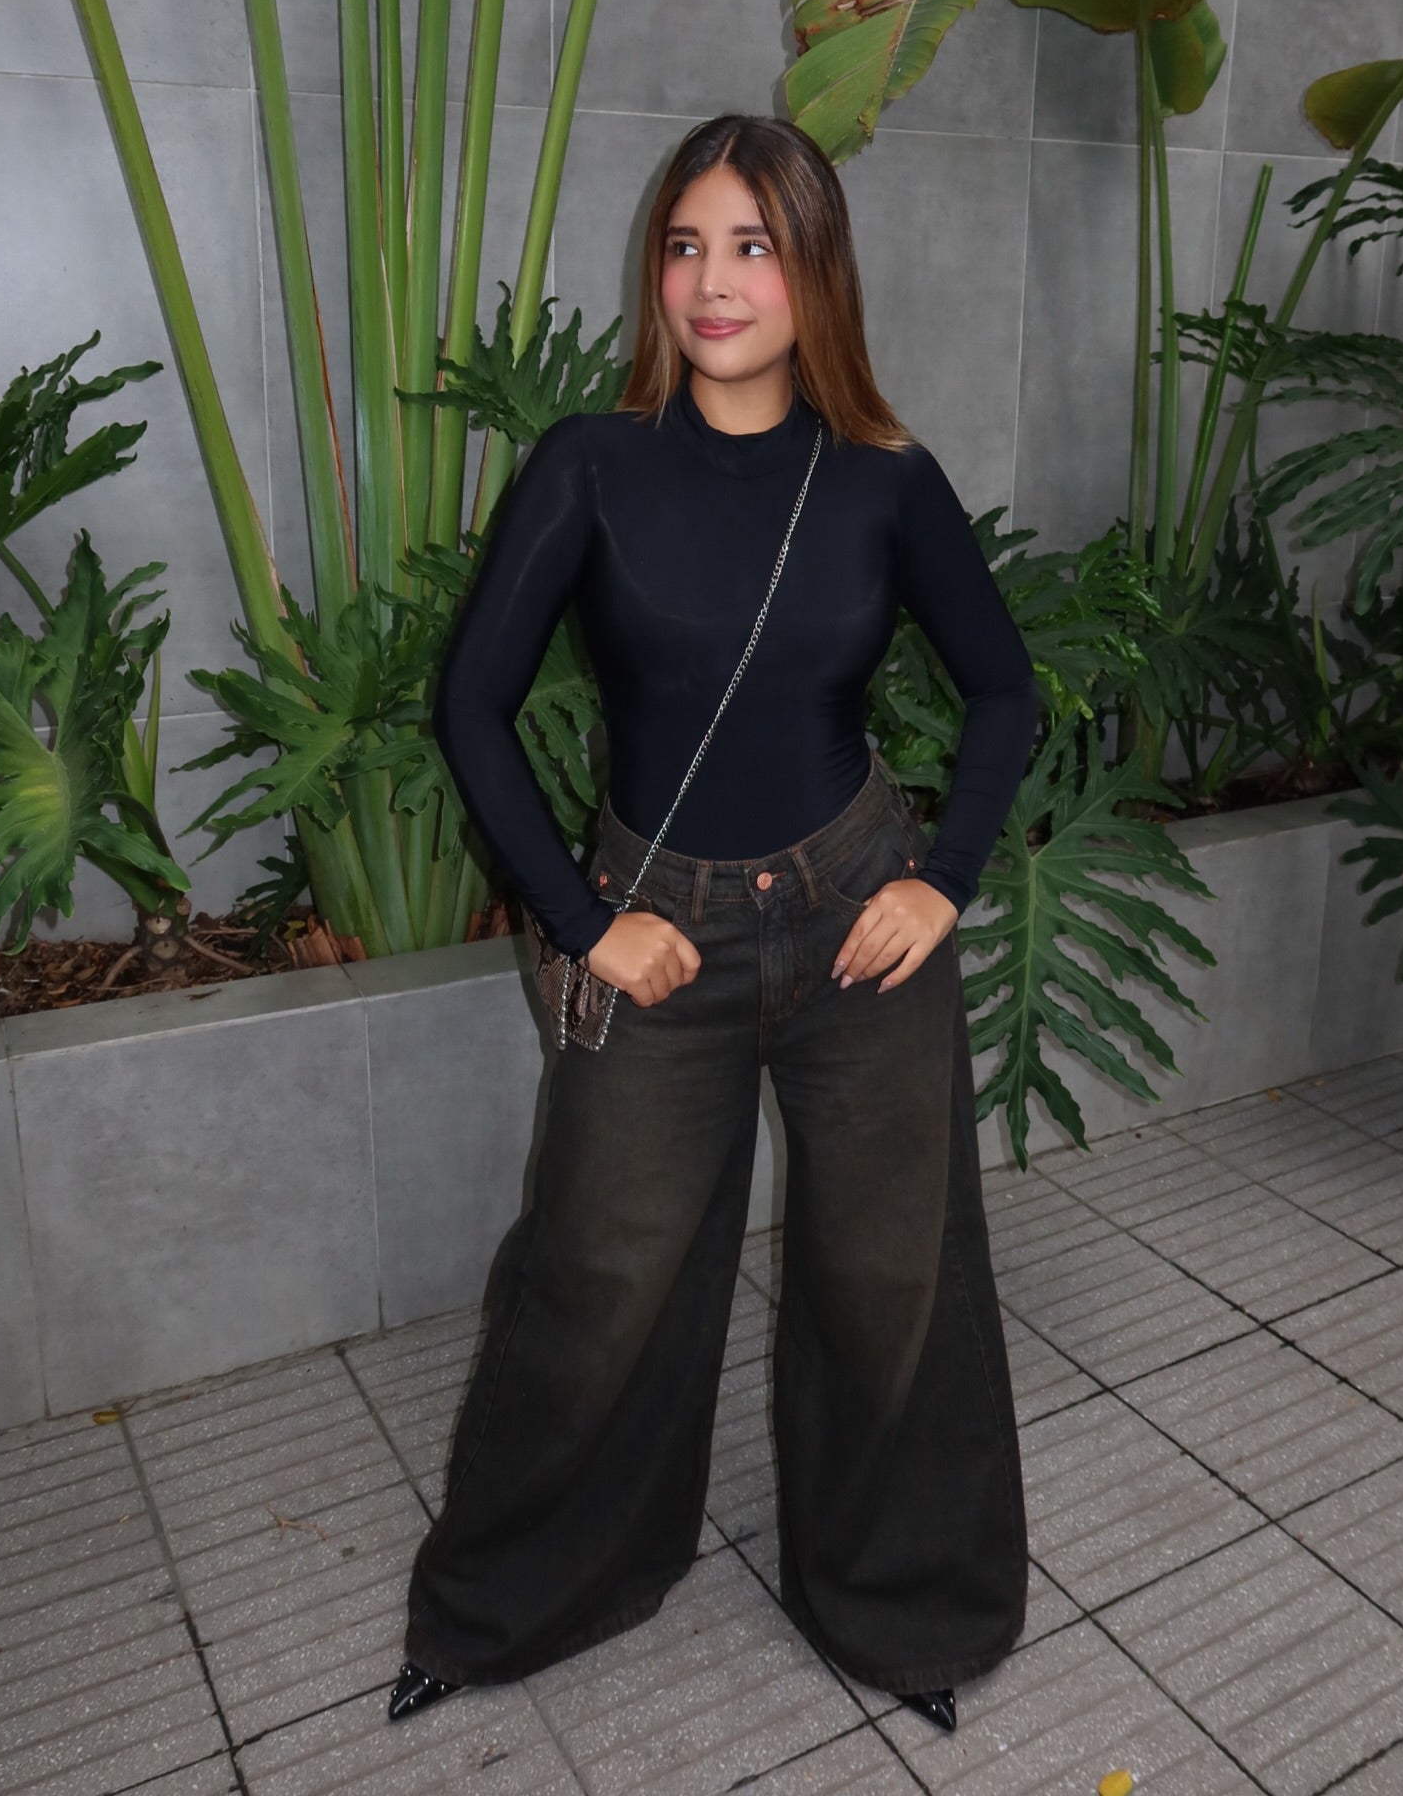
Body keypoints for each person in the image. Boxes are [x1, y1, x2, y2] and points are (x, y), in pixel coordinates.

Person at [388, 114, 1040, 1736]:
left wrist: (943, 878)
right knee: (595, 1272)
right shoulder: (590, 465)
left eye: (753, 244)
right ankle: (515, 1600)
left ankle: (904, 1608)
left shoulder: (885, 479)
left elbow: (1005, 690)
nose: (713, 281)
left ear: (815, 269)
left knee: (890, 1271)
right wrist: (581, 920)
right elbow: (471, 706)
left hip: (854, 915)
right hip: (653, 930)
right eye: (686, 245)